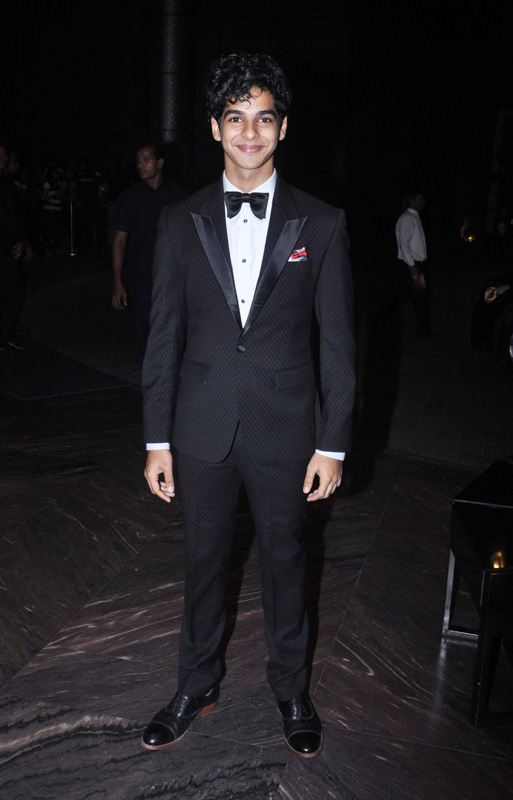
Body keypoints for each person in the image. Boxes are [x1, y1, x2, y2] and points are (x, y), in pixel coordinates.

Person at [141, 53, 356, 758]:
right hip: (200, 426)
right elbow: (162, 337)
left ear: (283, 128)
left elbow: (337, 344)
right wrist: (156, 439)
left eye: (264, 119)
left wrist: (332, 444)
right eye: (235, 118)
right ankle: (195, 684)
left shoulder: (321, 223)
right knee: (202, 565)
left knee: (286, 565)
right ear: (214, 127)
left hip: (286, 430)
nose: (249, 133)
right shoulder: (179, 220)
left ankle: (291, 689)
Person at [111, 143, 188, 362]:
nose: (141, 165)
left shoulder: (179, 196)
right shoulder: (129, 198)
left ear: (160, 163)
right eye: (138, 161)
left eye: (146, 160)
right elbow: (119, 242)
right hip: (141, 275)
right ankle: (150, 375)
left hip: (173, 275)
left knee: (175, 328)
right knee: (145, 328)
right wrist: (117, 282)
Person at [0, 141, 30, 351]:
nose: (5, 159)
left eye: (5, 155)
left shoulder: (7, 184)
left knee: (11, 291)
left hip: (10, 248)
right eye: (1, 155)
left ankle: (6, 335)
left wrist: (21, 240)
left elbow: (15, 216)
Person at [394, 189, 431, 337]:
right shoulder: (408, 218)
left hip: (414, 264)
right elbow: (404, 244)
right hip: (411, 265)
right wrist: (412, 266)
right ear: (412, 201)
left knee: (405, 296)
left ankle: (380, 320)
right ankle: (423, 331)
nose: (423, 202)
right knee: (420, 299)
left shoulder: (413, 217)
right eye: (420, 199)